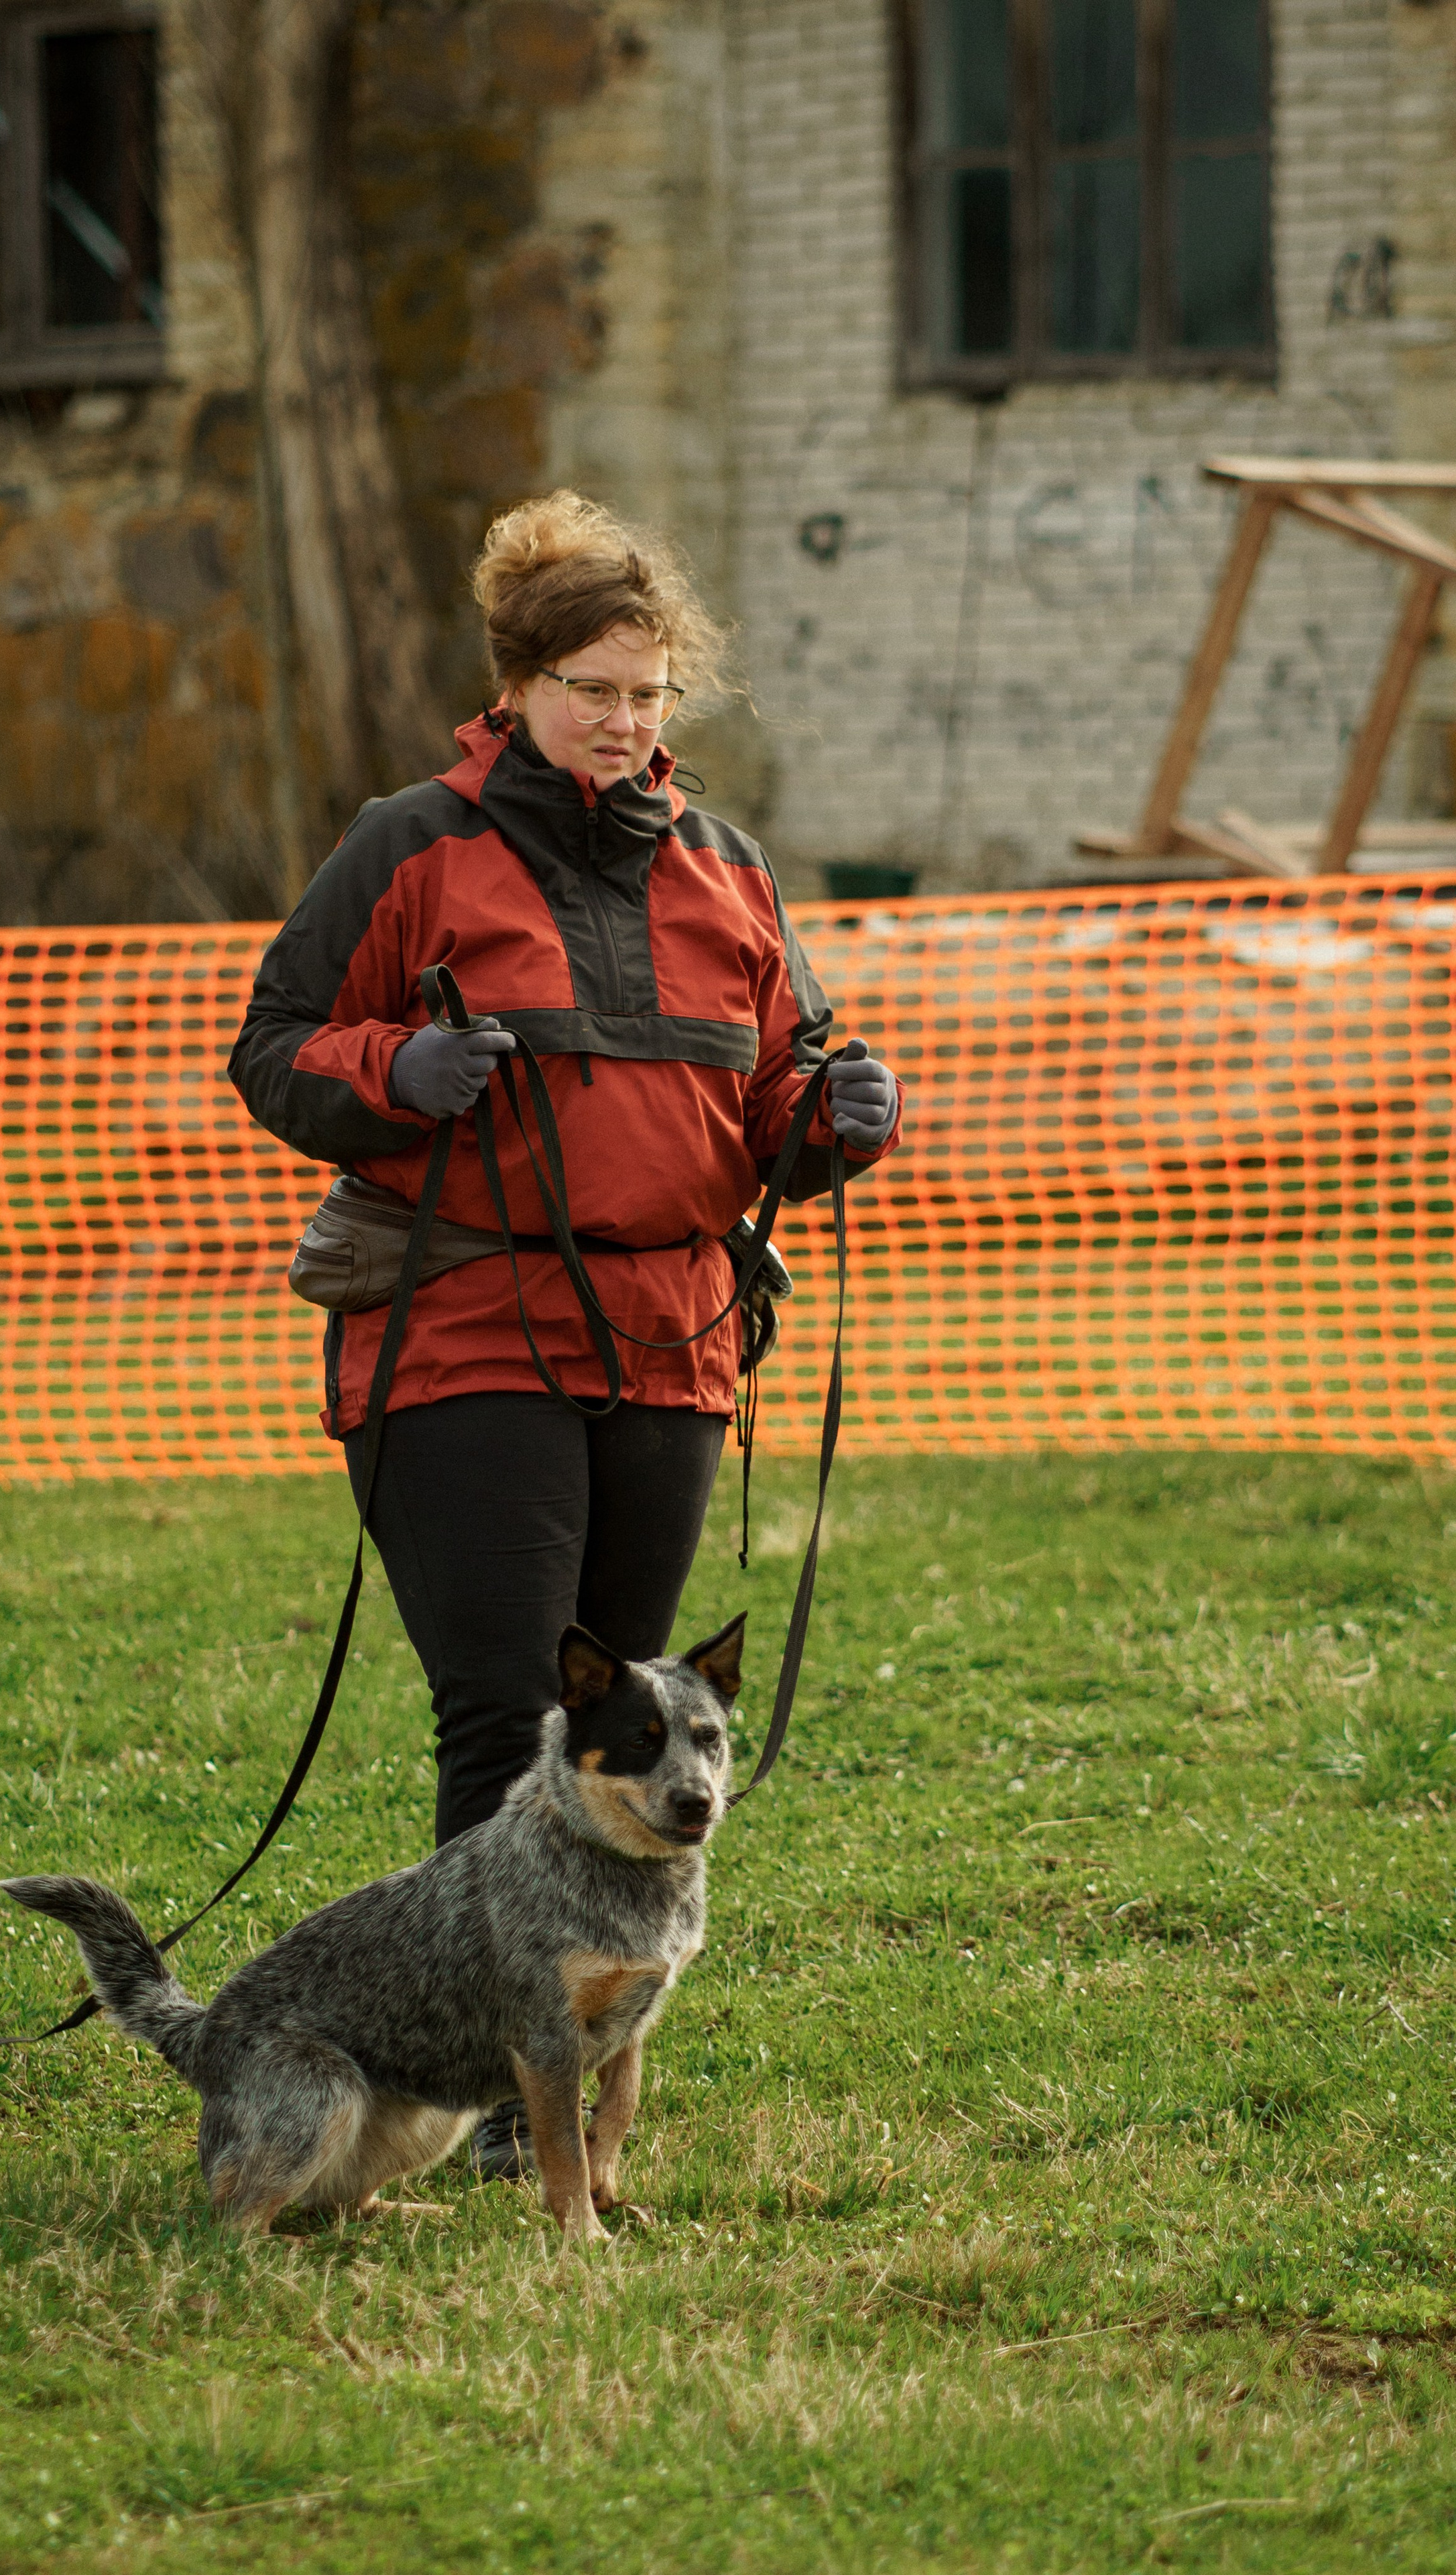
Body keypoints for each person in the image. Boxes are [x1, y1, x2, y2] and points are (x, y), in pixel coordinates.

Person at [229, 490, 900, 2171]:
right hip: (462, 1327)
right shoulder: (409, 845)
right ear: (517, 686)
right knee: (508, 1709)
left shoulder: (726, 867)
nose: (620, 720)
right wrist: (397, 1069)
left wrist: (831, 1117)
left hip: (670, 1334)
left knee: (617, 1717)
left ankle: (553, 2091)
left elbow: (773, 1086)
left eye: (645, 692)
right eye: (589, 689)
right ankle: (491, 2110)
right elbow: (277, 1045)